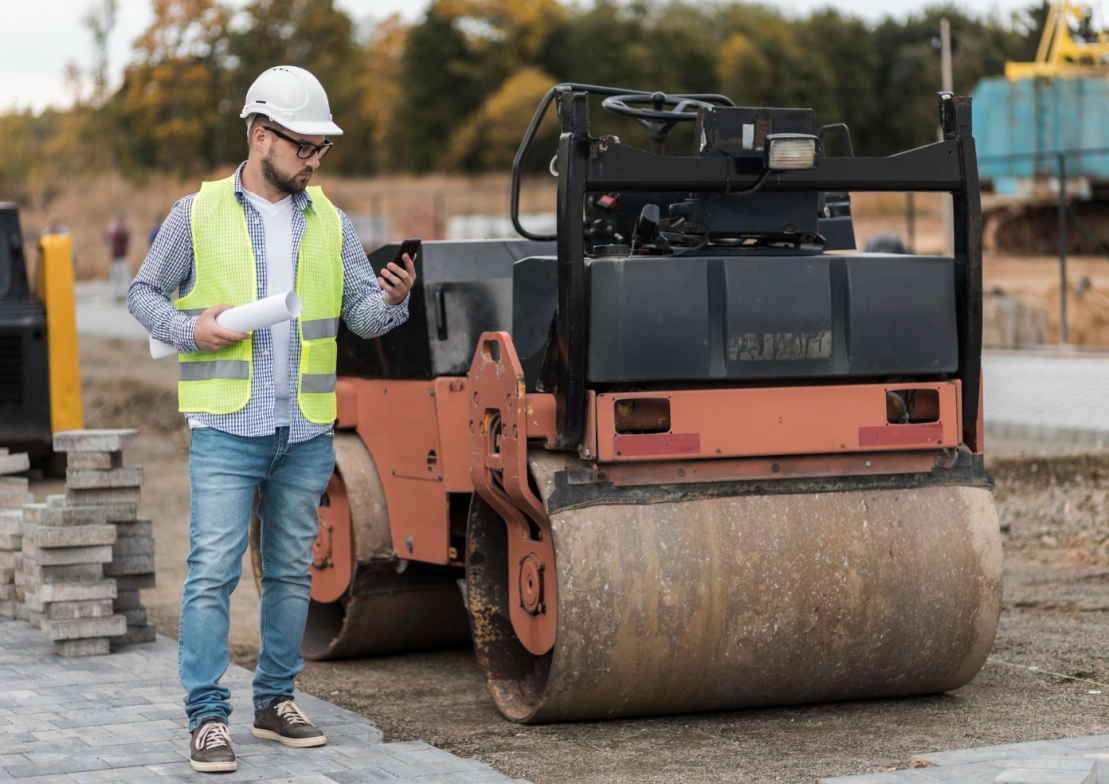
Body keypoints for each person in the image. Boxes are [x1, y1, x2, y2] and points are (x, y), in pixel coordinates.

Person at [127, 65, 418, 774]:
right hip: (227, 427)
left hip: (305, 430)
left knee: (291, 573)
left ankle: (275, 699)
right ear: (261, 136)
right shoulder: (194, 214)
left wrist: (394, 299)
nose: (315, 161)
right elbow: (142, 294)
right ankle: (206, 717)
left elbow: (360, 315)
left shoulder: (332, 223)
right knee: (210, 575)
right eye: (304, 147)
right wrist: (193, 330)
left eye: (322, 149)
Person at [104, 214, 131, 301]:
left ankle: (117, 293)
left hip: (118, 256)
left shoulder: (112, 229)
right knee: (122, 276)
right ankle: (117, 294)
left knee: (119, 277)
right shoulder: (118, 230)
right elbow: (126, 238)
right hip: (119, 257)